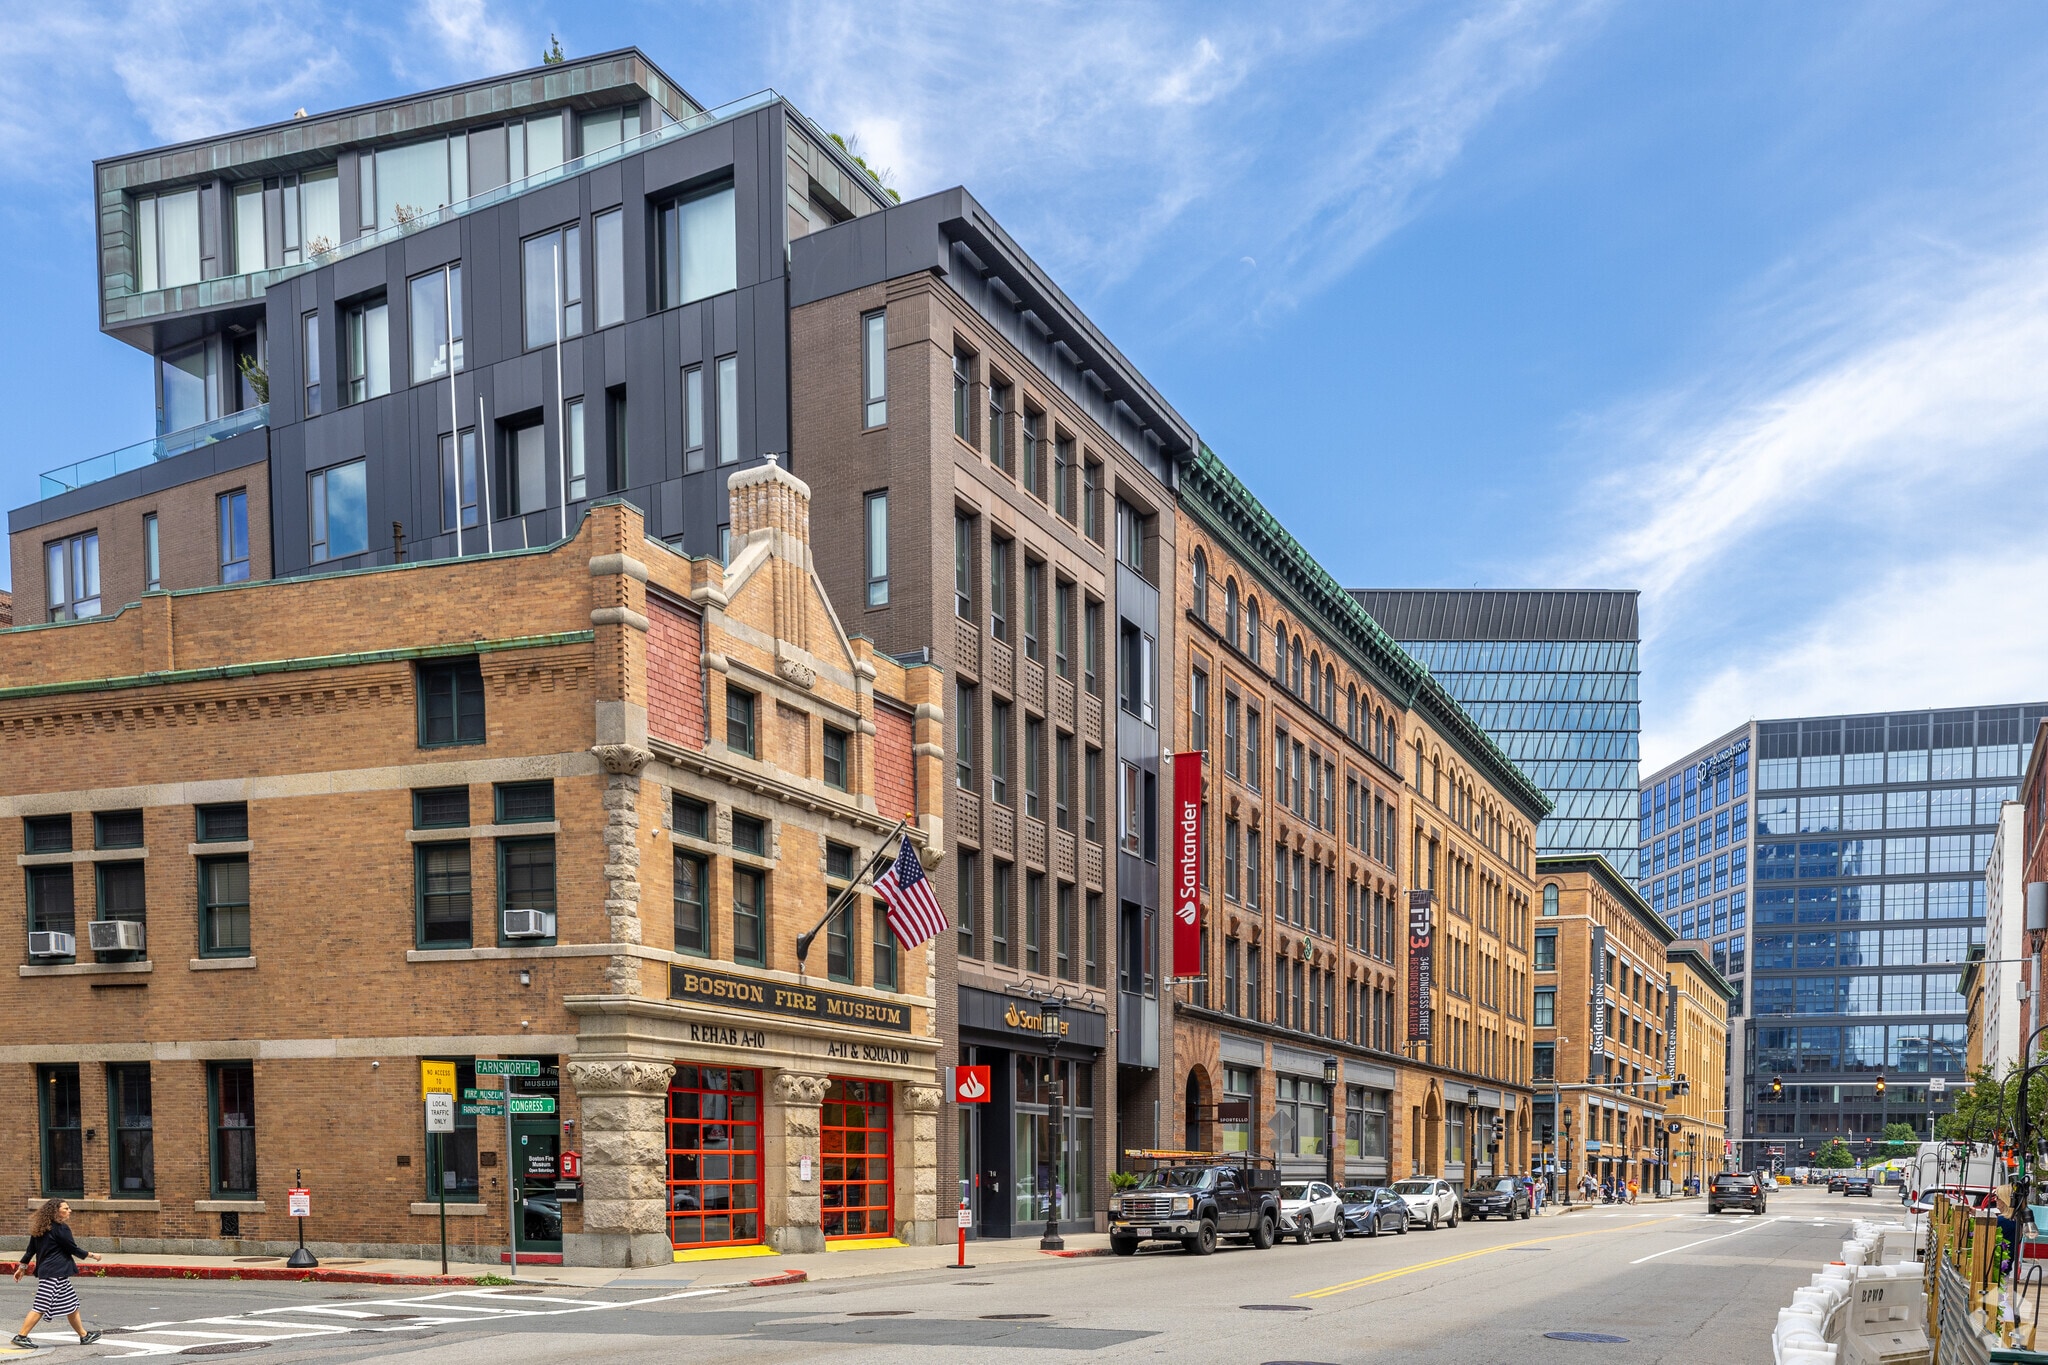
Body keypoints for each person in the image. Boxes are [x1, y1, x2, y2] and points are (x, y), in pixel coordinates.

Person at [13, 1198, 101, 1349]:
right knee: (41, 1305)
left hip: (53, 1273)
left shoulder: (40, 1228)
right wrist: (92, 1255)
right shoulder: (61, 1229)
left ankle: (84, 1335)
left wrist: (22, 1268)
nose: (69, 1211)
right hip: (54, 1273)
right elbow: (72, 1248)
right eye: (66, 1209)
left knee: (72, 1304)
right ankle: (21, 1336)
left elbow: (30, 1252)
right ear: (56, 1212)